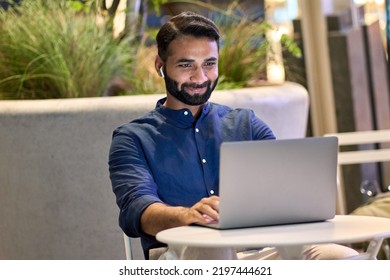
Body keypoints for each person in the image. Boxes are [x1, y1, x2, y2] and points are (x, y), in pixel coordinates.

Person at [108, 11, 358, 260]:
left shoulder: (246, 124)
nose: (200, 77)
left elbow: (282, 189)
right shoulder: (132, 138)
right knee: (213, 248)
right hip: (180, 256)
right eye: (186, 65)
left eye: (209, 64)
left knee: (344, 259)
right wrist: (188, 216)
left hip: (259, 250)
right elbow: (137, 211)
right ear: (160, 67)